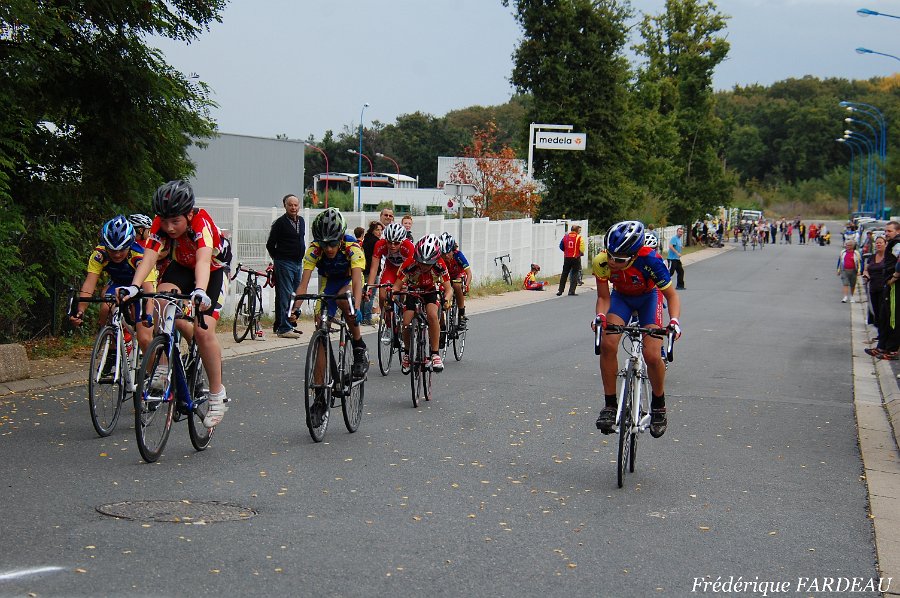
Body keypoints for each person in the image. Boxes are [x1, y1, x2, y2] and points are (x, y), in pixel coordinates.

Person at [122, 180, 231, 428]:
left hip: (213, 270)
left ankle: (217, 394)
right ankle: (162, 367)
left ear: (189, 214)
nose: (169, 228)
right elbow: (149, 257)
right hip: (182, 266)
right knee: (159, 300)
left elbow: (203, 262)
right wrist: (134, 286)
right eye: (165, 221)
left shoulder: (201, 223)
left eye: (175, 221)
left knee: (203, 331)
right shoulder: (160, 224)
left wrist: (200, 291)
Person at [592, 220, 681, 438]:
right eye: (610, 255)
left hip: (649, 298)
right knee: (607, 343)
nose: (612, 262)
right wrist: (600, 316)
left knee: (652, 355)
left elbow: (671, 296)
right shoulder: (601, 261)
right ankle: (610, 405)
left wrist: (674, 321)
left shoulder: (651, 260)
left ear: (634, 256)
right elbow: (603, 297)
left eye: (619, 260)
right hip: (621, 299)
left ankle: (659, 405)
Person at [291, 208, 369, 383]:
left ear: (340, 237)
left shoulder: (352, 247)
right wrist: (295, 309)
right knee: (320, 326)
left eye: (333, 243)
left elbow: (357, 281)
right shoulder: (314, 249)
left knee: (345, 299)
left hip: (349, 280)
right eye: (324, 244)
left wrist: (356, 307)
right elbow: (303, 284)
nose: (329, 248)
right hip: (329, 282)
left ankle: (358, 346)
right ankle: (320, 390)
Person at [70, 215, 156, 354]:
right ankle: (111, 344)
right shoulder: (99, 254)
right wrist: (80, 311)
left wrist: (149, 314)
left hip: (141, 285)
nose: (117, 254)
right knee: (105, 307)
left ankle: (151, 366)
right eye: (112, 250)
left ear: (129, 245)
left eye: (122, 250)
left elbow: (148, 289)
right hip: (118, 283)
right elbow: (89, 283)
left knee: (144, 338)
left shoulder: (139, 256)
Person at [393, 234, 451, 373]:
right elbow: (396, 286)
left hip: (430, 291)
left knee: (432, 315)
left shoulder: (440, 265)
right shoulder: (409, 263)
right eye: (421, 262)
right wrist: (392, 295)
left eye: (428, 264)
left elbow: (449, 289)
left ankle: (435, 354)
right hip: (413, 291)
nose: (424, 266)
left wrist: (447, 299)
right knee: (406, 322)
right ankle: (407, 354)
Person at [266, 194, 306, 339]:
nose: (293, 208)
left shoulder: (301, 221)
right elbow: (270, 244)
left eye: (295, 205)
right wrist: (278, 258)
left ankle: (284, 323)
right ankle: (284, 328)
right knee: (286, 295)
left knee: (295, 294)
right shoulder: (280, 223)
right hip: (284, 262)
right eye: (290, 205)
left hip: (298, 262)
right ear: (285, 206)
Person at [367, 222, 416, 333]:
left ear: (402, 241)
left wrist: (405, 284)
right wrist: (369, 288)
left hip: (406, 271)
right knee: (383, 294)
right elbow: (374, 269)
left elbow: (412, 267)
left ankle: (404, 312)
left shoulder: (408, 246)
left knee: (404, 291)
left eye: (396, 243)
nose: (392, 245)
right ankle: (388, 321)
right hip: (390, 269)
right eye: (389, 242)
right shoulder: (380, 244)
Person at [867, 221, 900, 360]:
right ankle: (882, 346)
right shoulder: (892, 243)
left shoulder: (897, 244)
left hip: (895, 285)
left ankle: (892, 350)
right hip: (888, 284)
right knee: (885, 316)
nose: (886, 233)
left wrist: (895, 276)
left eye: (889, 231)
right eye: (886, 231)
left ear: (898, 231)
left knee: (893, 318)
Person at [437, 232, 472, 329]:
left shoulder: (458, 255)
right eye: (443, 253)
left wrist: (466, 285)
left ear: (453, 250)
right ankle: (441, 323)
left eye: (448, 252)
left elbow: (469, 273)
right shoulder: (438, 258)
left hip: (458, 275)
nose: (446, 256)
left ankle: (461, 314)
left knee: (457, 285)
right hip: (445, 278)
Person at [360, 220, 384, 325]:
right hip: (373, 271)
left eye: (381, 230)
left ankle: (361, 316)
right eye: (377, 230)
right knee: (371, 295)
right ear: (372, 230)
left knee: (364, 294)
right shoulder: (376, 242)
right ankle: (367, 317)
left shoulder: (366, 240)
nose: (379, 232)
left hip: (364, 270)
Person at [863, 235, 887, 336]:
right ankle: (879, 334)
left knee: (883, 312)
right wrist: (866, 275)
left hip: (884, 288)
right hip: (873, 287)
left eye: (880, 243)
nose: (878, 244)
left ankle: (883, 335)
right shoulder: (872, 257)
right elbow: (866, 269)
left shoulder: (888, 258)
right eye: (877, 243)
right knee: (875, 311)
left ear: (885, 244)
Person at [557, 224, 585, 296]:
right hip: (576, 257)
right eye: (579, 230)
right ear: (576, 230)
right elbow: (582, 248)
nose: (579, 232)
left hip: (567, 257)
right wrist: (581, 253)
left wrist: (566, 251)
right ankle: (571, 291)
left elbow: (561, 246)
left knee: (564, 274)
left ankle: (560, 290)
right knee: (575, 274)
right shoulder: (579, 237)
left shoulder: (565, 237)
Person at [837, 239, 862, 303]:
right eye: (846, 245)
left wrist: (859, 271)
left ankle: (852, 296)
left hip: (853, 270)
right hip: (844, 270)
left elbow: (859, 262)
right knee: (845, 283)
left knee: (852, 284)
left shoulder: (856, 253)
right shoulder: (843, 252)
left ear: (852, 246)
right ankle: (845, 297)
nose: (847, 246)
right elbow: (839, 261)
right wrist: (838, 270)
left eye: (849, 245)